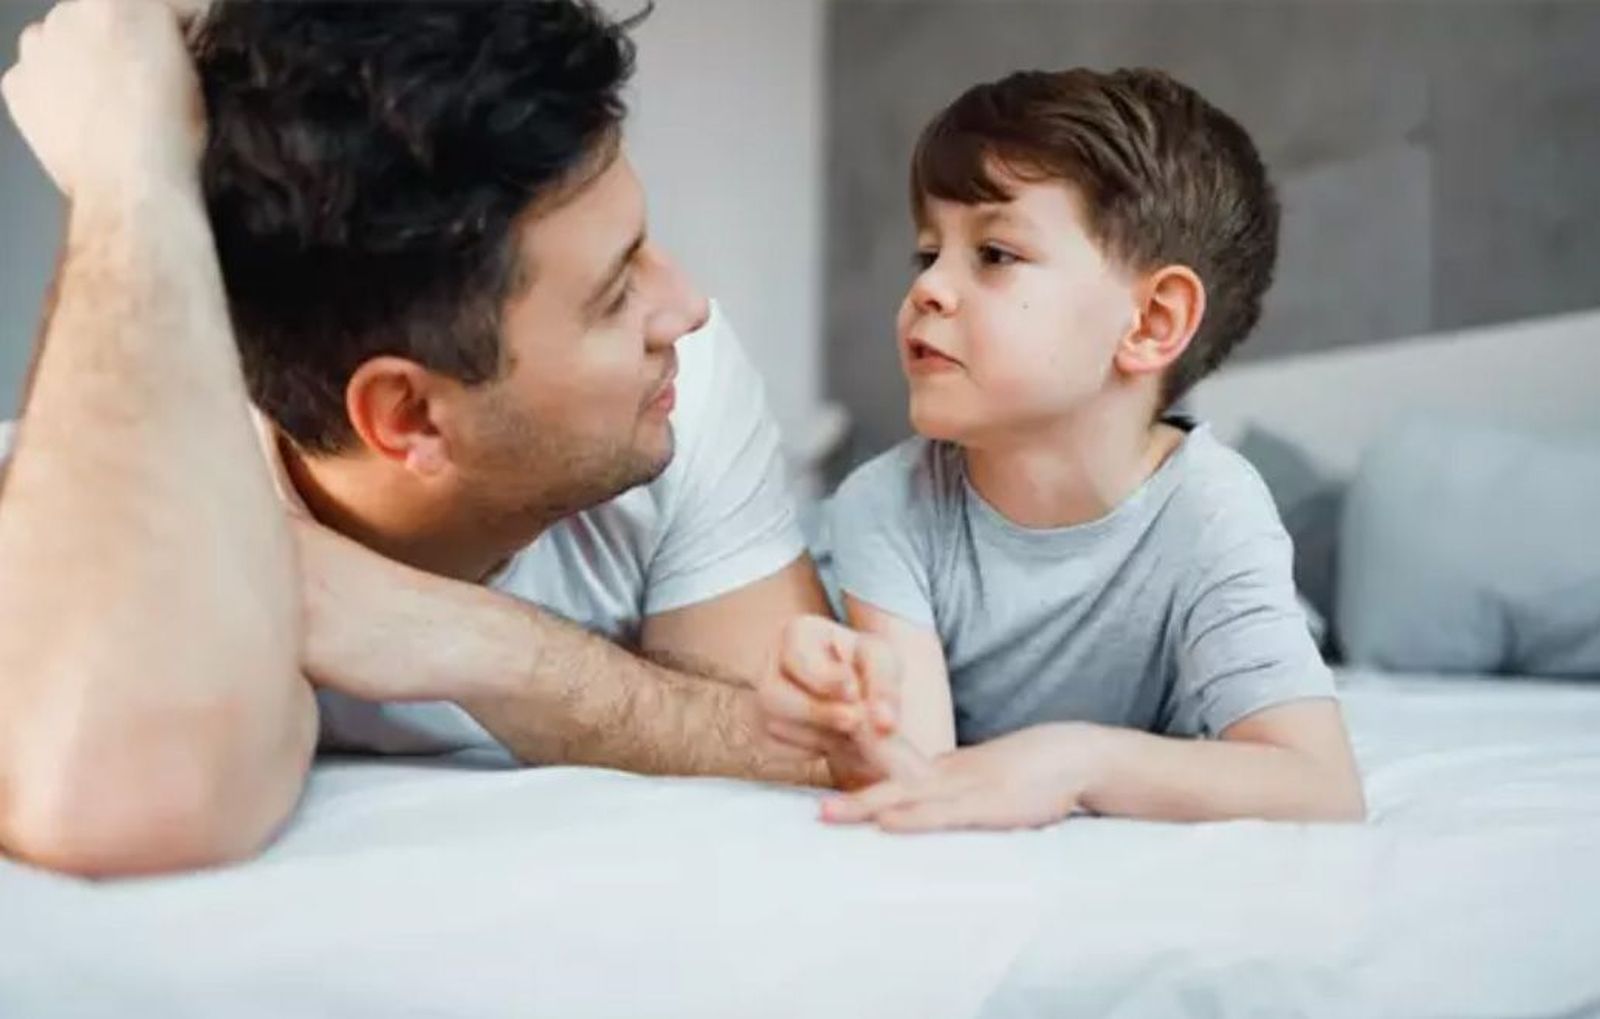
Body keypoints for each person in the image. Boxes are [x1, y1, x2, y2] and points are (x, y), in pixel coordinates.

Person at [0, 0, 835, 878]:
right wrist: (131, 169)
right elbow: (115, 799)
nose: (688, 308)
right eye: (613, 292)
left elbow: (824, 753)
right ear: (408, 417)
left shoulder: (671, 380)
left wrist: (473, 643)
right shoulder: (122, 493)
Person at [756, 67, 1366, 830]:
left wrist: (1075, 762)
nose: (926, 290)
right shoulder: (886, 504)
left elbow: (1322, 786)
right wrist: (852, 723)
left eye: (995, 254)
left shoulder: (1212, 507)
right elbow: (923, 780)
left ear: (1150, 323)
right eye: (927, 254)